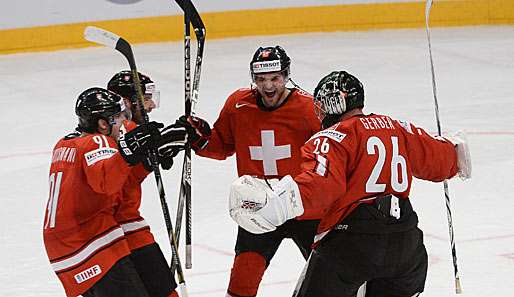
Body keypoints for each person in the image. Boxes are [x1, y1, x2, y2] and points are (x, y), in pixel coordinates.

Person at [228, 70, 472, 297]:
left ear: (332, 104)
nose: (320, 113)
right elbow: (444, 160)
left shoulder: (331, 137)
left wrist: (274, 203)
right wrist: (451, 148)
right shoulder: (397, 127)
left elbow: (319, 188)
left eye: (322, 106)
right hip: (407, 242)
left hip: (353, 242)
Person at [178, 46, 321, 297]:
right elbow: (221, 146)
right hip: (258, 207)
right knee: (242, 284)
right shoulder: (238, 105)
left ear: (286, 75)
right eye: (261, 79)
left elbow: (329, 155)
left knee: (329, 279)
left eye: (275, 78)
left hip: (304, 207)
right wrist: (199, 139)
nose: (268, 86)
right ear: (253, 78)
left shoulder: (310, 108)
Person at [42, 87, 184, 297]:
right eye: (117, 117)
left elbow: (115, 182)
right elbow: (106, 183)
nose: (122, 124)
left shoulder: (65, 143)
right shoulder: (97, 141)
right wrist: (127, 153)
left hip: (77, 239)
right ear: (102, 123)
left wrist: (142, 160)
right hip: (87, 240)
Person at [107, 70, 185, 297]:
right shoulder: (122, 130)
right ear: (128, 101)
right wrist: (163, 144)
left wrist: (152, 160)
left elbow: (126, 177)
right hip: (111, 231)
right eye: (147, 98)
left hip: (129, 224)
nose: (151, 106)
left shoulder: (125, 130)